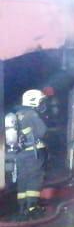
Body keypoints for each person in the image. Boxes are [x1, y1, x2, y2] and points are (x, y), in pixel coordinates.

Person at [7, 89, 49, 218]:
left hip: (20, 154)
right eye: (41, 101)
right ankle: (32, 208)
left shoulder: (18, 114)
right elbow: (43, 131)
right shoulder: (32, 114)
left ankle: (22, 207)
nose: (43, 105)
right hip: (34, 153)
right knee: (34, 178)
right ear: (34, 101)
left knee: (23, 179)